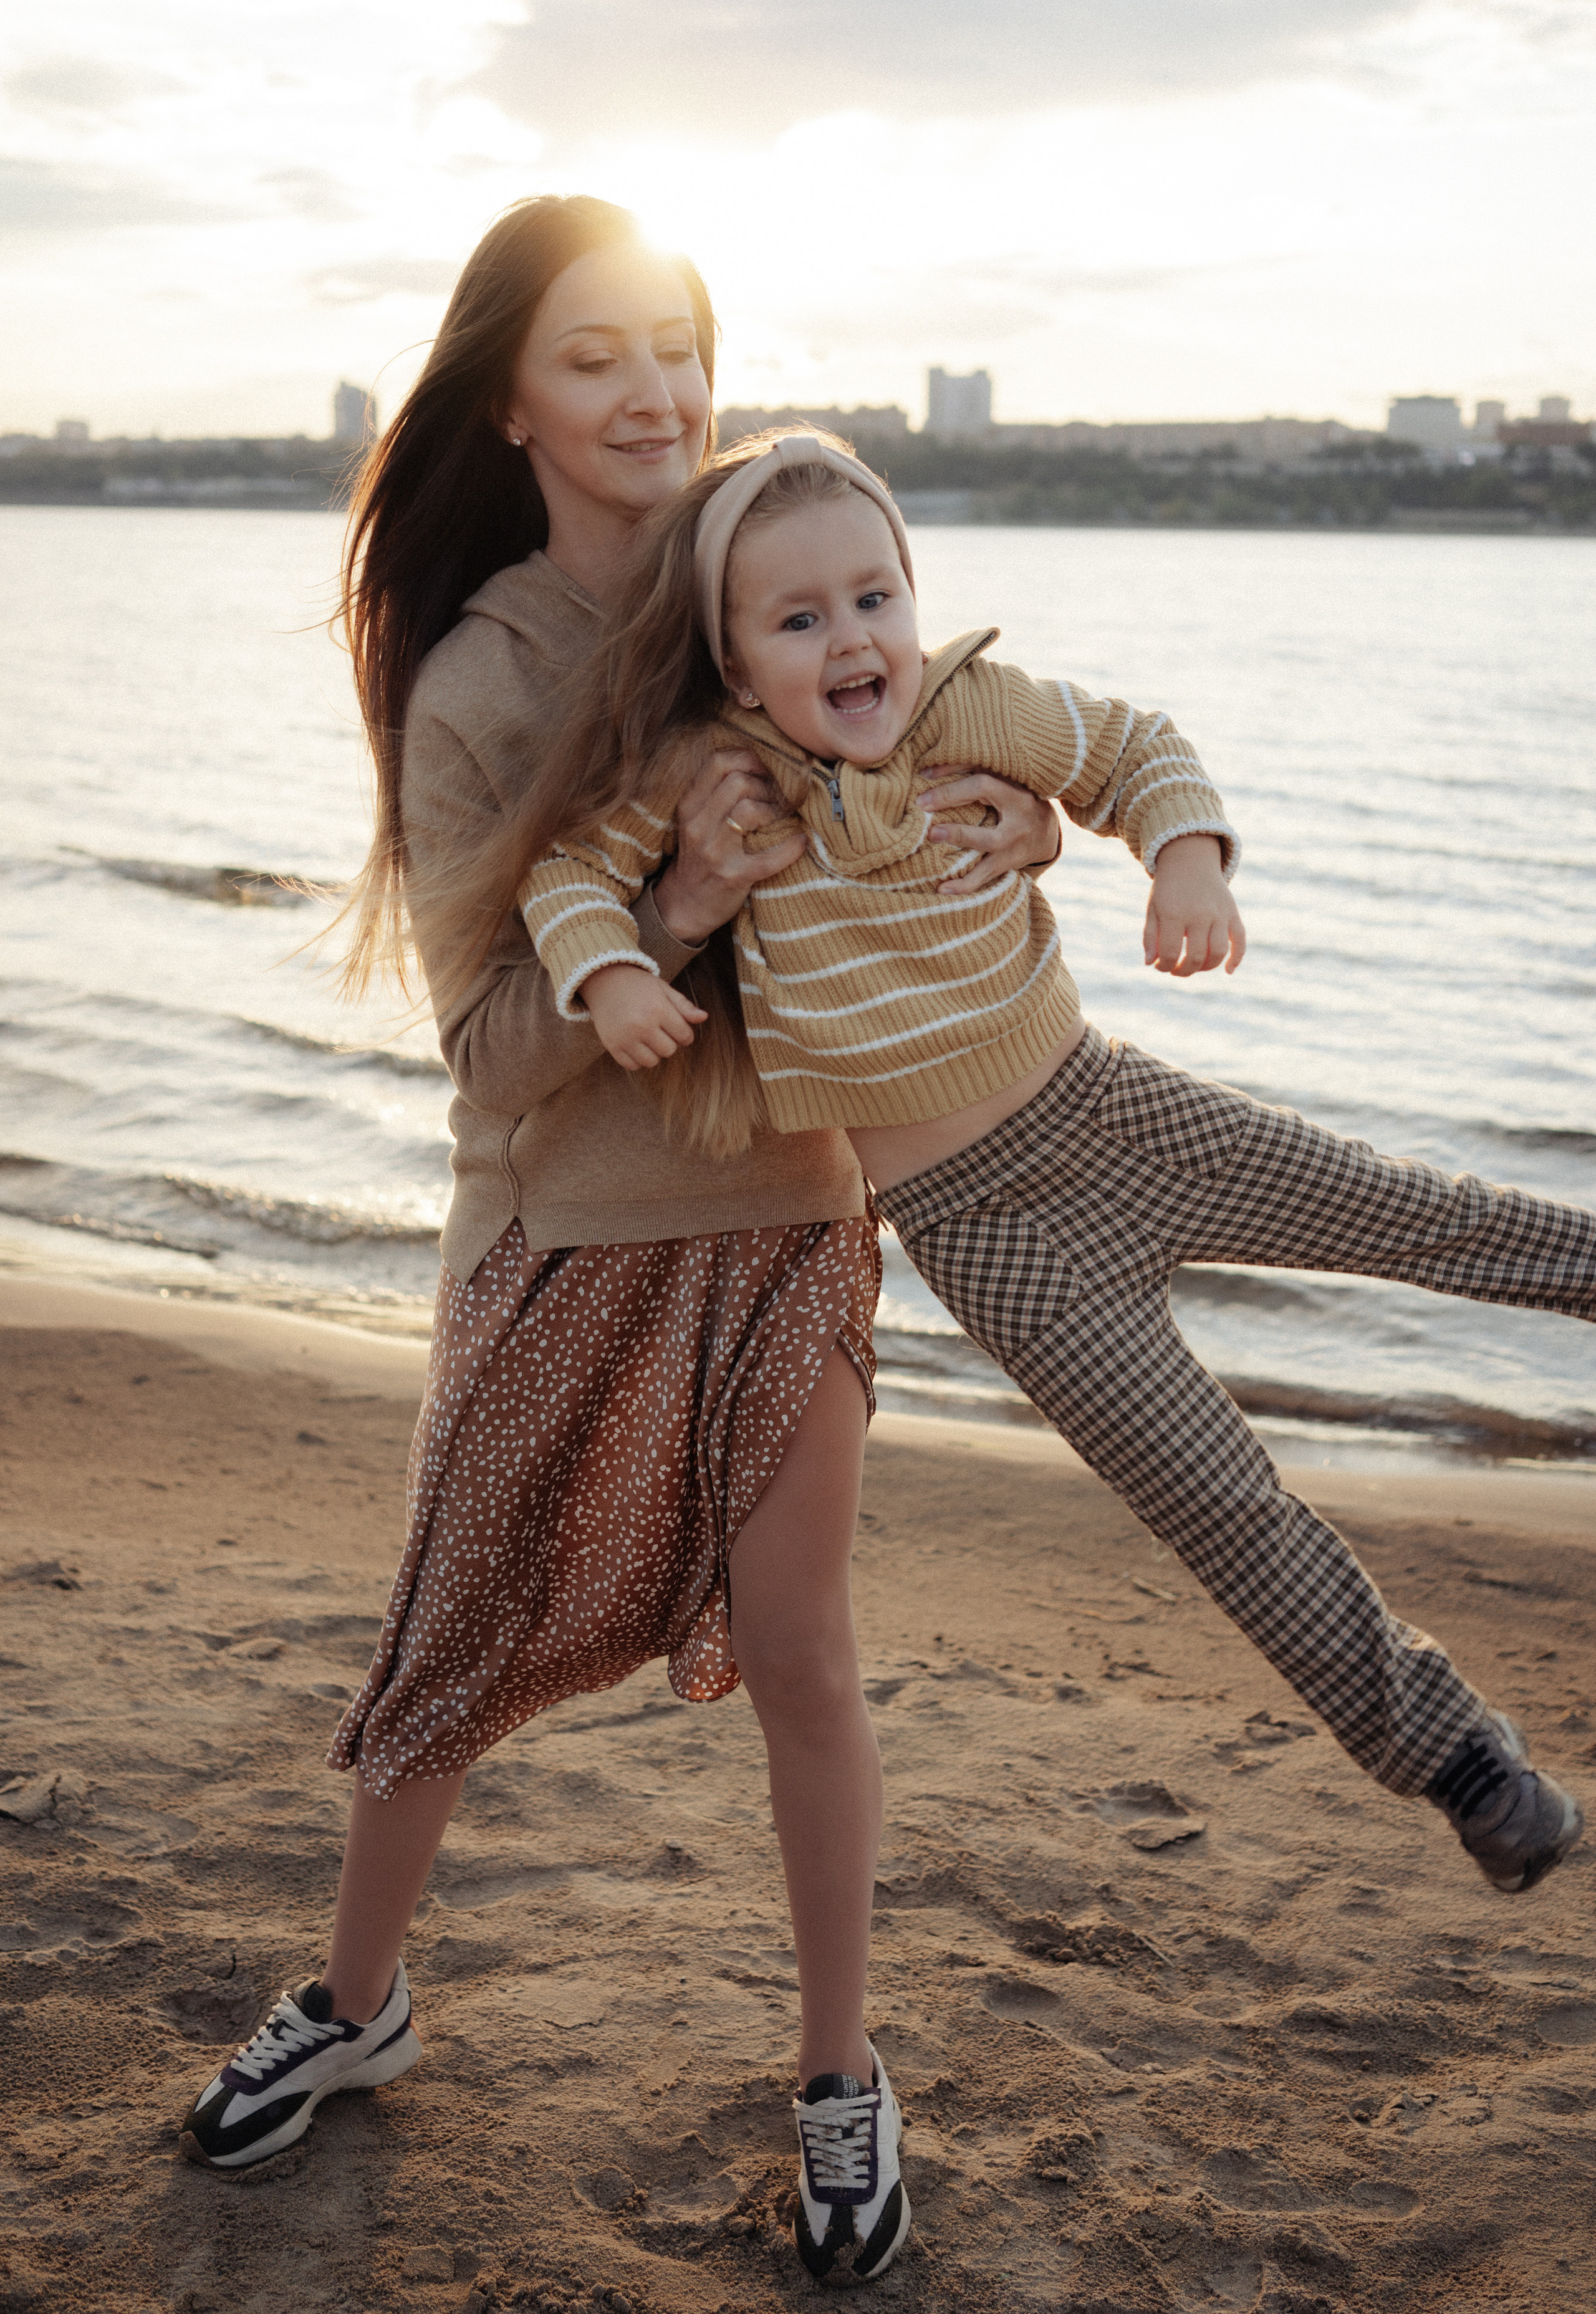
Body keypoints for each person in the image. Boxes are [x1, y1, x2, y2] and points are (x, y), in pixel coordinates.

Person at [176, 203, 1061, 2285]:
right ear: (515, 399)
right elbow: (493, 1061)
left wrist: (1024, 826)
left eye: (678, 343)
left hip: (786, 1218)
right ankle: (358, 2003)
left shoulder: (768, 585)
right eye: (598, 357)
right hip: (563, 1242)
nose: (654, 388)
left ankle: (839, 2072)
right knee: (442, 1669)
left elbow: (956, 763)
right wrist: (656, 922)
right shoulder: (483, 680)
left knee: (813, 1668)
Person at [515, 427, 1591, 1906]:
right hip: (983, 1234)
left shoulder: (974, 708)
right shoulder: (719, 783)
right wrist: (617, 975)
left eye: (874, 596)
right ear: (731, 657)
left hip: (1116, 1114)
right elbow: (568, 874)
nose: (853, 637)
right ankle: (1461, 1764)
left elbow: (1130, 749)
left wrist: (1184, 858)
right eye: (799, 618)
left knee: (1427, 1220)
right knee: (1215, 1500)